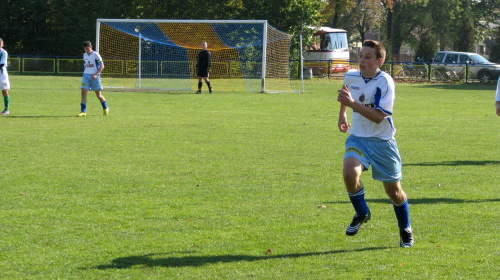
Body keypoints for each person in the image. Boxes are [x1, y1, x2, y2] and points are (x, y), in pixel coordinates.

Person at [337, 40, 414, 248]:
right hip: (358, 138)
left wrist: (353, 104)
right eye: (361, 55)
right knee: (349, 173)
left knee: (394, 191)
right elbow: (345, 94)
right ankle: (362, 212)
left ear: (379, 61)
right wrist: (343, 114)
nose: (362, 60)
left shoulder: (385, 82)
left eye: (367, 57)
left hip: (382, 142)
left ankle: (405, 228)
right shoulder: (351, 76)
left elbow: (379, 117)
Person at [78, 41, 108, 117]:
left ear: (91, 47)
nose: (86, 50)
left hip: (95, 76)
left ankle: (105, 107)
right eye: (85, 49)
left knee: (98, 95)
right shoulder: (84, 55)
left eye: (88, 48)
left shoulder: (96, 55)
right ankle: (83, 112)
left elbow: (102, 66)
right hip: (86, 75)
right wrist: (86, 71)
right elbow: (85, 65)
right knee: (83, 92)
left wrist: (96, 74)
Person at [0, 38, 10, 115]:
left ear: (2, 44)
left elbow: (2, 64)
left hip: (2, 75)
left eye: (0, 44)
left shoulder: (3, 52)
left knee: (4, 91)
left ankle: (6, 109)